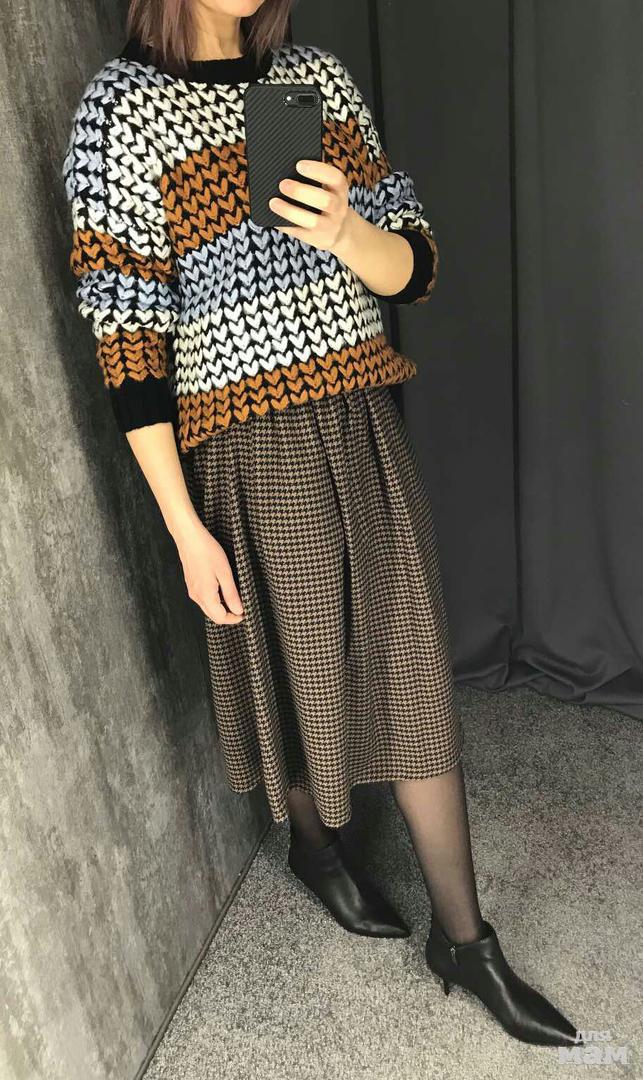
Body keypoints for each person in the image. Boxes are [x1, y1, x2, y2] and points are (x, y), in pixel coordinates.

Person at [62, 0, 581, 1048]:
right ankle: (314, 843)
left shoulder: (318, 84)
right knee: (293, 659)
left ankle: (464, 939)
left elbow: (416, 269)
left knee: (408, 659)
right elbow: (130, 348)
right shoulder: (118, 113)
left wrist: (347, 229)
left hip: (360, 418)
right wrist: (183, 527)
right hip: (245, 445)